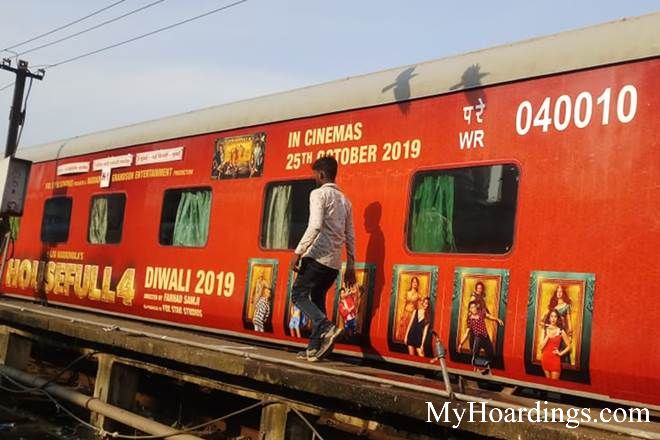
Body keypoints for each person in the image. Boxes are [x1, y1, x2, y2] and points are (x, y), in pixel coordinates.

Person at [291, 155, 356, 362]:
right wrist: (351, 264)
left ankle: (326, 327)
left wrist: (298, 252)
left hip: (317, 257)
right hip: (334, 264)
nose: (314, 179)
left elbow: (315, 225)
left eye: (315, 176)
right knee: (318, 297)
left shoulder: (318, 194)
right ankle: (313, 348)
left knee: (298, 294)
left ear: (321, 174)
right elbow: (350, 235)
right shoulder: (346, 201)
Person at [458, 300, 503, 373]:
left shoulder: (481, 313)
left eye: (474, 307)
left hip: (485, 336)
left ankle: (486, 368)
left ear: (476, 307)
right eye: (472, 308)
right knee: (475, 354)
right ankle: (475, 369)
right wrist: (461, 344)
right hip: (478, 338)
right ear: (470, 309)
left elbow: (489, 316)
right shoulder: (470, 319)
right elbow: (467, 332)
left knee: (490, 352)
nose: (474, 309)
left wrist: (497, 319)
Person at [540, 309, 571, 379]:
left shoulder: (560, 331)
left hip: (555, 359)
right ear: (549, 318)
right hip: (545, 359)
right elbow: (540, 347)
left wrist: (560, 353)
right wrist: (548, 336)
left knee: (554, 384)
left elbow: (569, 346)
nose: (553, 319)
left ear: (557, 318)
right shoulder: (544, 330)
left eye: (555, 317)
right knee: (547, 384)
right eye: (551, 316)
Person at [396, 276, 420, 341]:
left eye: (416, 282)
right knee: (403, 328)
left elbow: (418, 306)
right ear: (411, 283)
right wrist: (401, 314)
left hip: (412, 314)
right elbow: (403, 304)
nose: (415, 283)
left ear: (417, 284)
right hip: (406, 313)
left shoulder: (418, 295)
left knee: (410, 329)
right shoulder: (407, 293)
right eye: (413, 282)